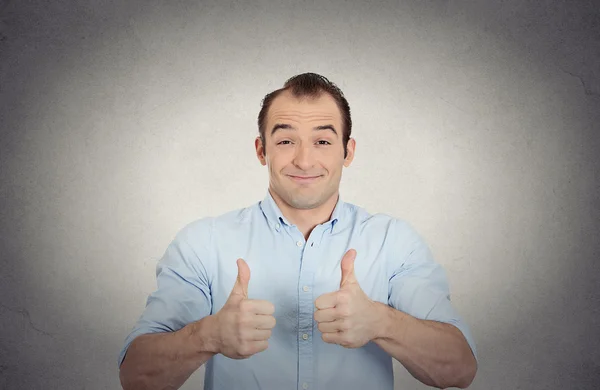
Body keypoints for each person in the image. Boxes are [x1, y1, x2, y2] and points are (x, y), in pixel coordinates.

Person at [118, 73, 478, 390]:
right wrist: (208, 335)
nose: (304, 161)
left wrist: (382, 322)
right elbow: (136, 377)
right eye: (286, 141)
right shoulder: (202, 243)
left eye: (322, 141)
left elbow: (459, 368)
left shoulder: (394, 241)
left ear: (347, 152)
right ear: (262, 150)